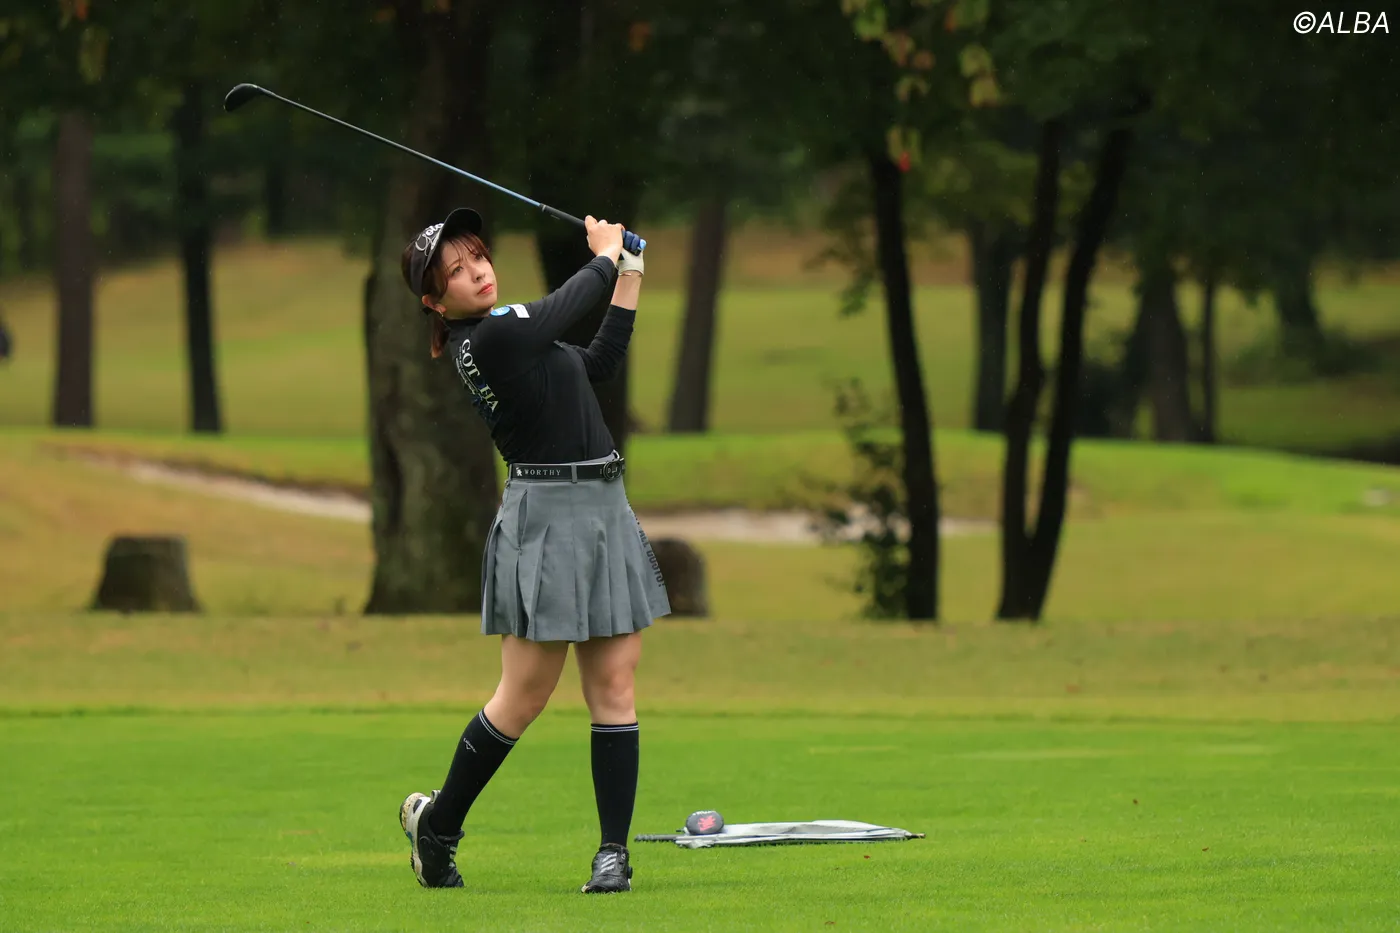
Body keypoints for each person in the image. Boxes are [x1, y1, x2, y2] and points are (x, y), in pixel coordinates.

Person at [395, 207, 670, 894]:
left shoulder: (512, 334)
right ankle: (439, 826)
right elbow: (565, 303)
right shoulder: (491, 338)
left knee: (615, 685)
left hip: (601, 505)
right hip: (545, 513)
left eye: (477, 257)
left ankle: (613, 854)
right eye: (454, 272)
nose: (476, 272)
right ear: (435, 303)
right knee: (521, 696)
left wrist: (629, 272)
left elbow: (599, 361)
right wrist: (604, 255)